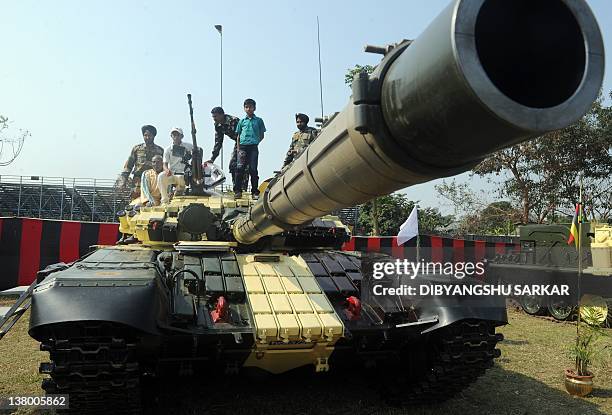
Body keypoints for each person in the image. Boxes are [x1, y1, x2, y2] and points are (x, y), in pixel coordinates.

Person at [207, 107, 246, 191]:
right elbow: (218, 142)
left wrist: (241, 150)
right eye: (213, 117)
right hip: (237, 142)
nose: (214, 119)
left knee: (243, 165)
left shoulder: (234, 121)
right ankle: (236, 188)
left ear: (222, 115)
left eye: (215, 116)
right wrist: (212, 159)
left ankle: (243, 189)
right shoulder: (218, 125)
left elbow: (243, 134)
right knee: (232, 165)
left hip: (245, 142)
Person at [119, 125, 164, 198]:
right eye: (145, 135)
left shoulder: (160, 151)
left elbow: (164, 167)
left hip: (153, 181)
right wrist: (123, 181)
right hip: (138, 181)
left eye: (150, 135)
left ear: (154, 136)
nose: (147, 137)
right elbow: (128, 166)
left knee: (154, 201)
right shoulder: (137, 149)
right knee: (136, 203)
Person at [234, 98, 266, 199]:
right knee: (239, 169)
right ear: (244, 108)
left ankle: (254, 192)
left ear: (254, 108)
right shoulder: (242, 121)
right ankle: (238, 191)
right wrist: (238, 149)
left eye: (250, 107)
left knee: (253, 169)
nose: (249, 109)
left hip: (253, 147)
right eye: (246, 107)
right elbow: (238, 136)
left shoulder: (259, 121)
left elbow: (262, 135)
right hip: (242, 147)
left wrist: (255, 142)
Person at [158, 127, 193, 204]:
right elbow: (165, 164)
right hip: (172, 173)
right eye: (174, 135)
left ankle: (180, 190)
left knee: (181, 178)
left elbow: (198, 151)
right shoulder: (167, 149)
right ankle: (165, 200)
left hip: (184, 173)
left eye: (178, 135)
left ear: (182, 136)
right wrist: (167, 170)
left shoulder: (188, 146)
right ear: (171, 136)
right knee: (161, 176)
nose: (175, 137)